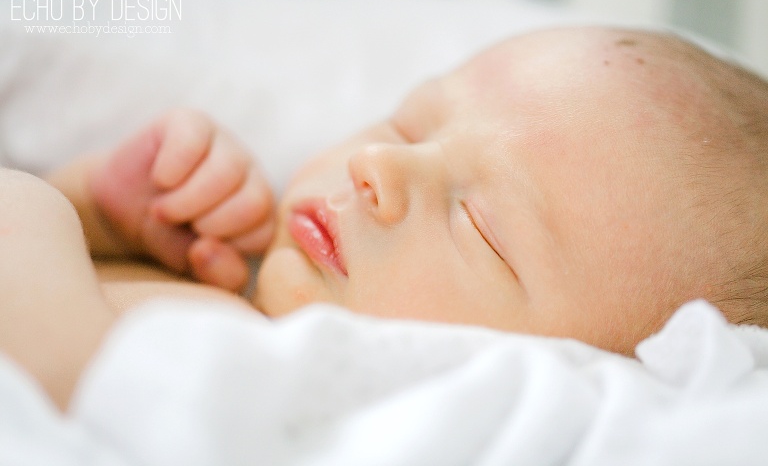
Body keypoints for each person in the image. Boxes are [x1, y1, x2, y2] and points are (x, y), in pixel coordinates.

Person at [2, 26, 767, 412]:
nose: (381, 166)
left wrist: (32, 216)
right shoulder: (226, 280)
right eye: (407, 124)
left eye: (481, 228)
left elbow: (85, 395)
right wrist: (102, 213)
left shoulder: (300, 406)